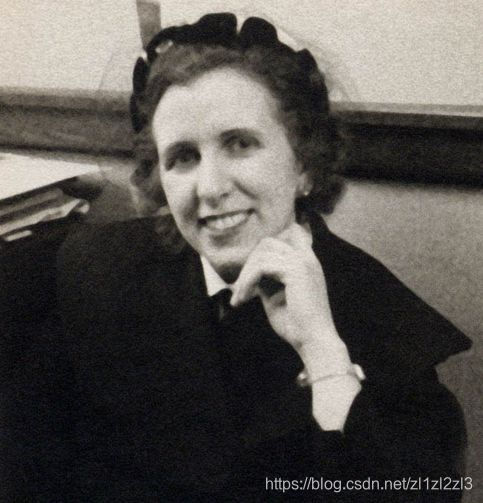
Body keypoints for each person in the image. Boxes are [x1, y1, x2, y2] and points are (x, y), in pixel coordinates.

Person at [19, 13, 471, 502]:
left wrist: (324, 354)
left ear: (305, 165)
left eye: (239, 145)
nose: (211, 188)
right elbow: (30, 466)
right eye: (183, 157)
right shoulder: (100, 270)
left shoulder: (389, 326)